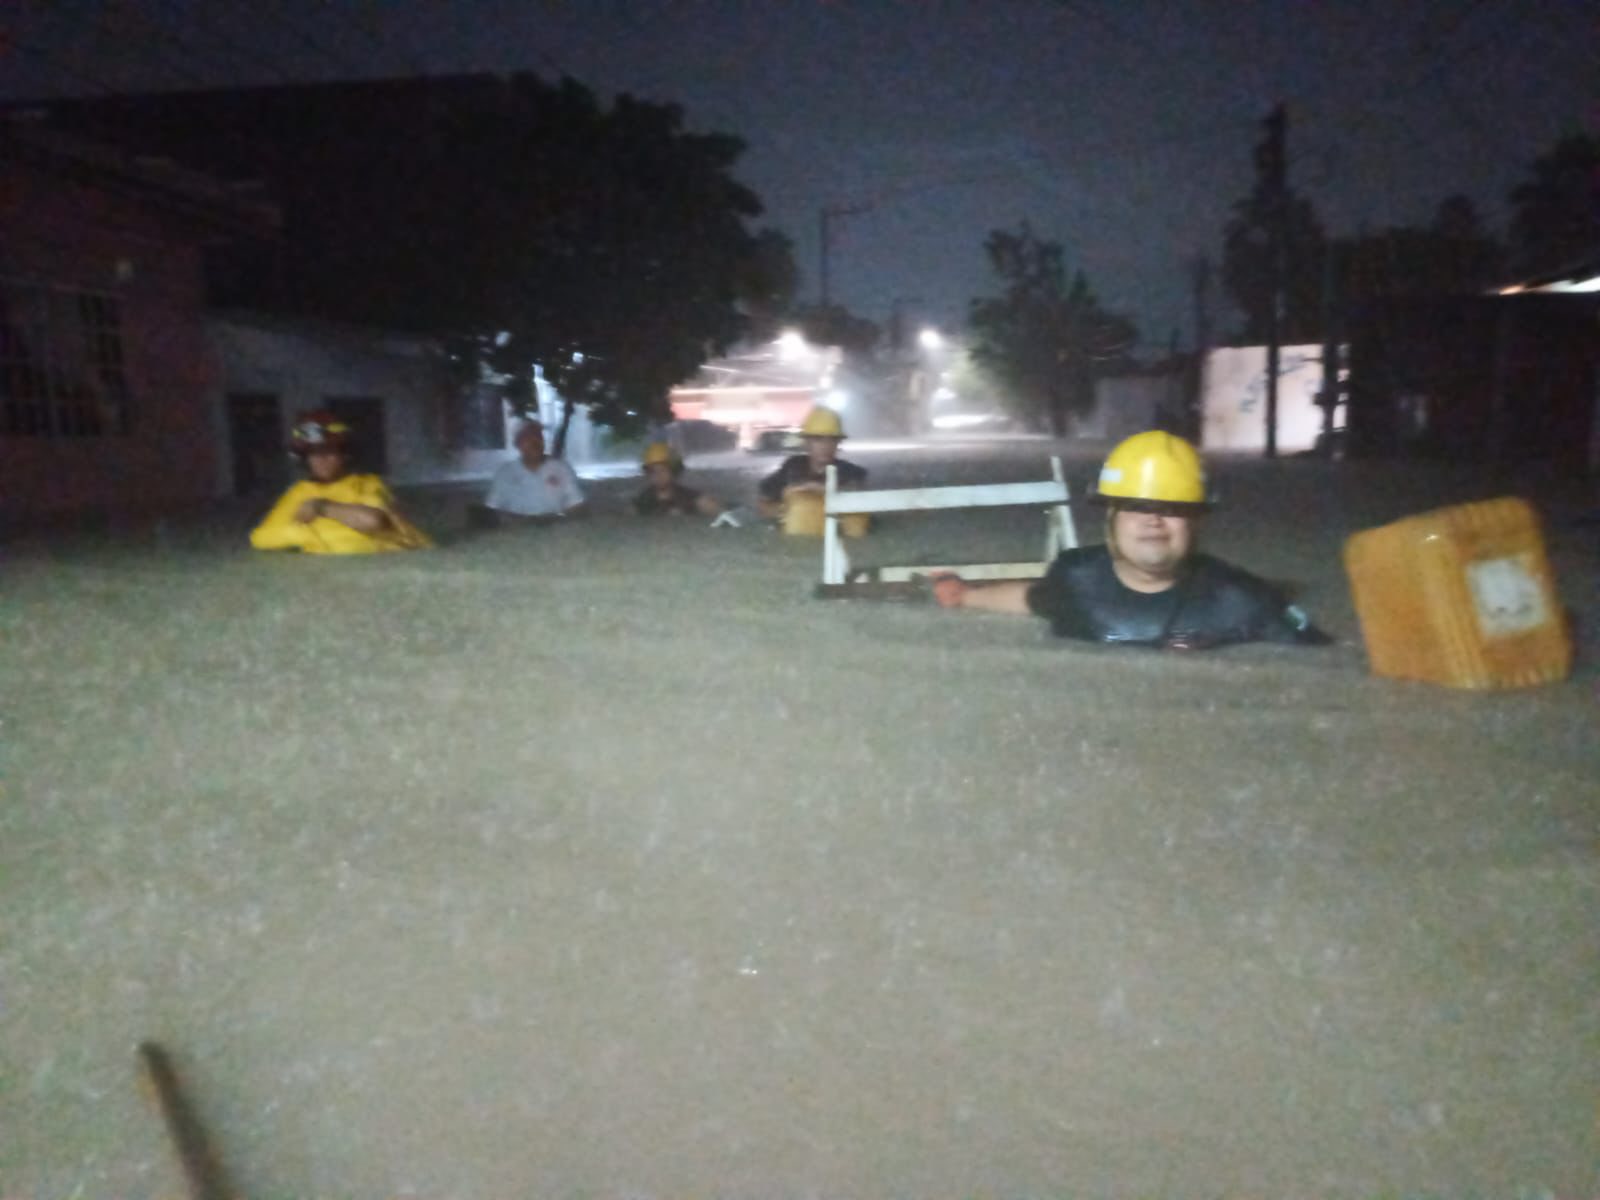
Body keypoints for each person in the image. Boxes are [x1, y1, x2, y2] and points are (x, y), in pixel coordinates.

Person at [933, 430, 1331, 650]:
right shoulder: (1075, 579)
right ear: (1110, 517)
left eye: (1172, 508)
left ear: (1197, 521)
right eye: (1136, 506)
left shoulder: (1244, 601)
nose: (1153, 521)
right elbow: (1032, 599)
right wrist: (965, 596)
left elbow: (1317, 653)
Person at [249, 411, 432, 554]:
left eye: (329, 452)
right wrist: (306, 536)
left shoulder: (367, 483)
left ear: (344, 455)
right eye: (313, 454)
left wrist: (321, 507)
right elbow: (260, 537)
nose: (321, 460)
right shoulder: (300, 491)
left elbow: (372, 522)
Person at [756, 406, 866, 519]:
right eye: (818, 439)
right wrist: (785, 508)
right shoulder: (793, 467)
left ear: (838, 443)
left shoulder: (851, 473)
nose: (825, 446)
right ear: (807, 443)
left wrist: (826, 491)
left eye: (832, 440)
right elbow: (765, 499)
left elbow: (860, 503)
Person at [473, 420, 585, 527]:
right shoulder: (505, 473)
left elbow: (577, 506)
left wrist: (563, 520)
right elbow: (492, 509)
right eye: (527, 437)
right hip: (515, 531)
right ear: (517, 444)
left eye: (538, 436)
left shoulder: (562, 468)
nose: (534, 441)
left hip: (554, 529)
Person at [633, 441, 722, 518]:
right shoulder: (641, 502)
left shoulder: (691, 498)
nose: (658, 475)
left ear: (673, 472)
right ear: (648, 474)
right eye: (653, 471)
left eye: (663, 470)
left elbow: (720, 513)